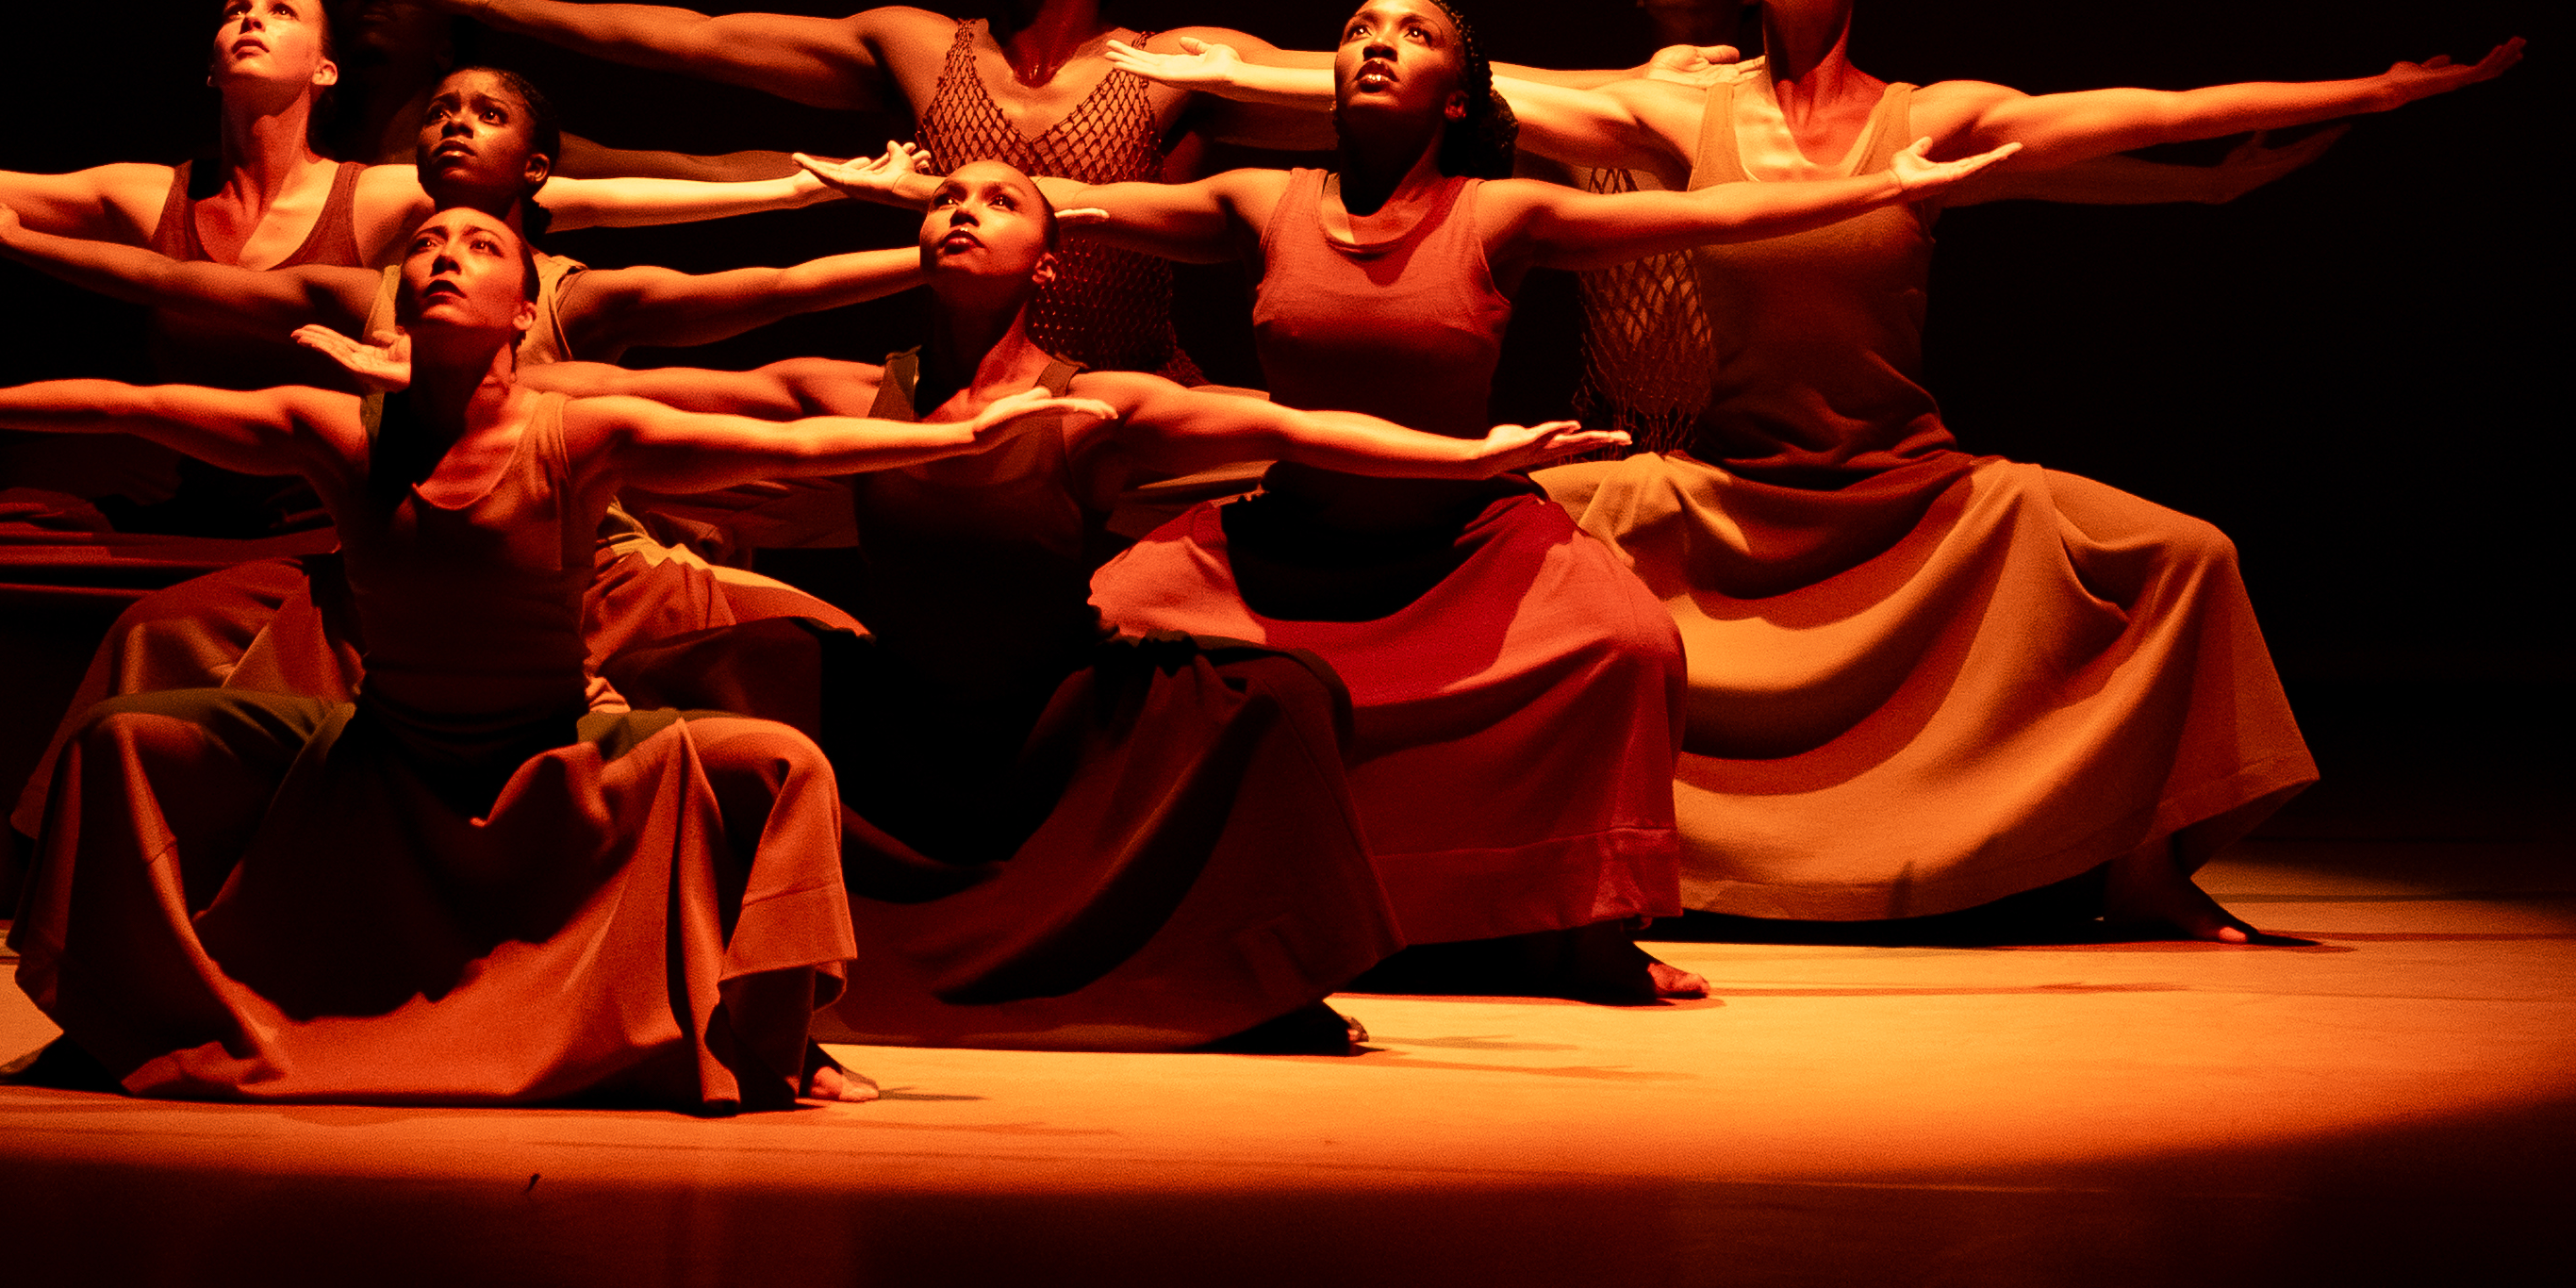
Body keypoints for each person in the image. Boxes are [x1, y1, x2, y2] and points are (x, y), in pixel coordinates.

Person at [1144, 0, 2519, 940]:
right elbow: (1458, 84)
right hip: (1728, 487)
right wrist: (1214, 71)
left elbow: (2145, 112)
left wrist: (2379, 89)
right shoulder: (1679, 114)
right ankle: (1512, 869)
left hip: (1907, 481)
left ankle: (2145, 873)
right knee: (1492, 543)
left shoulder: (1933, 117)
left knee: (2179, 555)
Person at [811, 0, 2020, 999]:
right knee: (1112, 622)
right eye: (1355, 29)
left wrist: (1874, 187)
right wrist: (920, 198)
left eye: (1410, 32)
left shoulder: (1501, 209)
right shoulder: (1258, 201)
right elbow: (1073, 203)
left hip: (1459, 533)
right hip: (1285, 533)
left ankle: (1583, 928)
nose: (1373, 42)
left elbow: (1709, 207)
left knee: (1628, 642)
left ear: (1456, 95)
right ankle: (1124, 899)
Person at [0, 206, 1113, 1110]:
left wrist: (956, 441)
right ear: (395, 299)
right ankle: (118, 1023)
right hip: (374, 755)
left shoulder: (576, 431)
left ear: (520, 306)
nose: (441, 256)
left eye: (476, 246)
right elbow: (141, 405)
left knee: (776, 767)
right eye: (422, 246)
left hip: (559, 745)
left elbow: (807, 452)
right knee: (123, 740)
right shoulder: (337, 428)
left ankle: (775, 1050)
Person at [321, 158, 1622, 1048]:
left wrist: (1474, 455)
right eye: (943, 196)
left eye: (997, 200)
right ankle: (702, 962)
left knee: (1280, 696)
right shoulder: (841, 392)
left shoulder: (1088, 403)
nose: (960, 210)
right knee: (732, 673)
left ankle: (1254, 981)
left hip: (1049, 725)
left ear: (1044, 259)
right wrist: (434, 371)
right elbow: (620, 400)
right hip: (902, 726)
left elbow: (1288, 424)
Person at [0, 0, 853, 919]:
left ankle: (87, 860)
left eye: (277, 9)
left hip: (321, 513)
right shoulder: (153, 192)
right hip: (177, 488)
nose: (245, 21)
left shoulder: (394, 211)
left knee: (157, 632)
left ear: (326, 66)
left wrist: (811, 189)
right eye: (231, 8)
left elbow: (616, 221)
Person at [365, 0, 1710, 377]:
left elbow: (1409, 80)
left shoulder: (1177, 58)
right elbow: (696, 38)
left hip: (1122, 382)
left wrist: (1648, 95)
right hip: (942, 379)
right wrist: (499, 10)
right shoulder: (909, 44)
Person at [1124, 0, 2341, 448]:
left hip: (1760, 422)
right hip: (1637, 423)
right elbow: (1414, 88)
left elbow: (2024, 160)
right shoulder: (1630, 102)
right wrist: (1231, 70)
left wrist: (2200, 184)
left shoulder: (1865, 110)